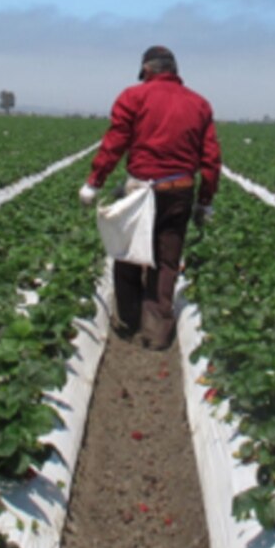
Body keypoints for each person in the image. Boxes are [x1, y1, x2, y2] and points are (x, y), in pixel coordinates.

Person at [79, 46, 222, 351]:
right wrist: (205, 199)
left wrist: (95, 181)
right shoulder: (199, 104)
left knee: (129, 252)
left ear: (147, 70)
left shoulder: (134, 97)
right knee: (166, 260)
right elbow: (210, 157)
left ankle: (129, 322)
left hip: (140, 190)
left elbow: (115, 141)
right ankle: (156, 331)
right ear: (174, 71)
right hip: (180, 191)